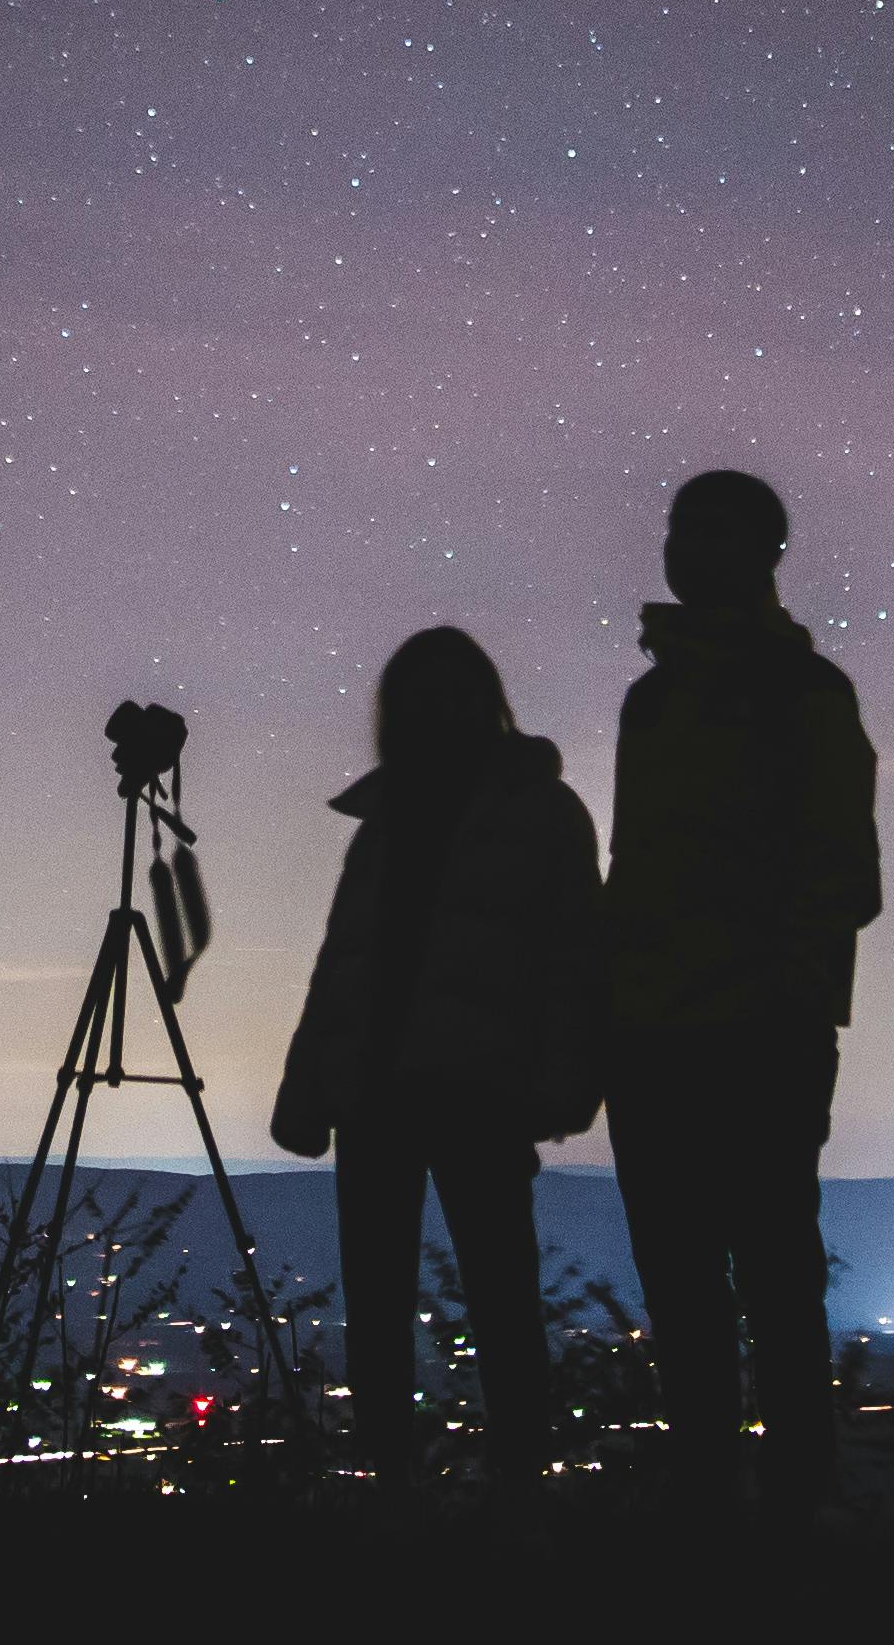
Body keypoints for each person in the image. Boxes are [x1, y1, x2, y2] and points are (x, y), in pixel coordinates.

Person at [600, 467, 879, 1507]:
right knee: (682, 1286)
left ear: (767, 554)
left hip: (758, 1034)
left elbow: (841, 870)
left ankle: (792, 1516)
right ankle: (713, 1511)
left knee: (771, 1277)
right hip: (653, 1036)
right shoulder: (655, 699)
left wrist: (790, 1005)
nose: (691, 550)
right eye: (683, 530)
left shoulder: (805, 693)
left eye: (718, 534)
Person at [269, 625, 602, 1483]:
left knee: (499, 1296)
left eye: (454, 691)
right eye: (422, 693)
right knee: (379, 1305)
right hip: (376, 1089)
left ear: (485, 701)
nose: (437, 709)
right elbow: (340, 963)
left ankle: (519, 1490)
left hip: (477, 1089)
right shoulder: (384, 822)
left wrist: (560, 1083)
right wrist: (311, 1085)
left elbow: (575, 956)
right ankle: (395, 1488)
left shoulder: (538, 812)